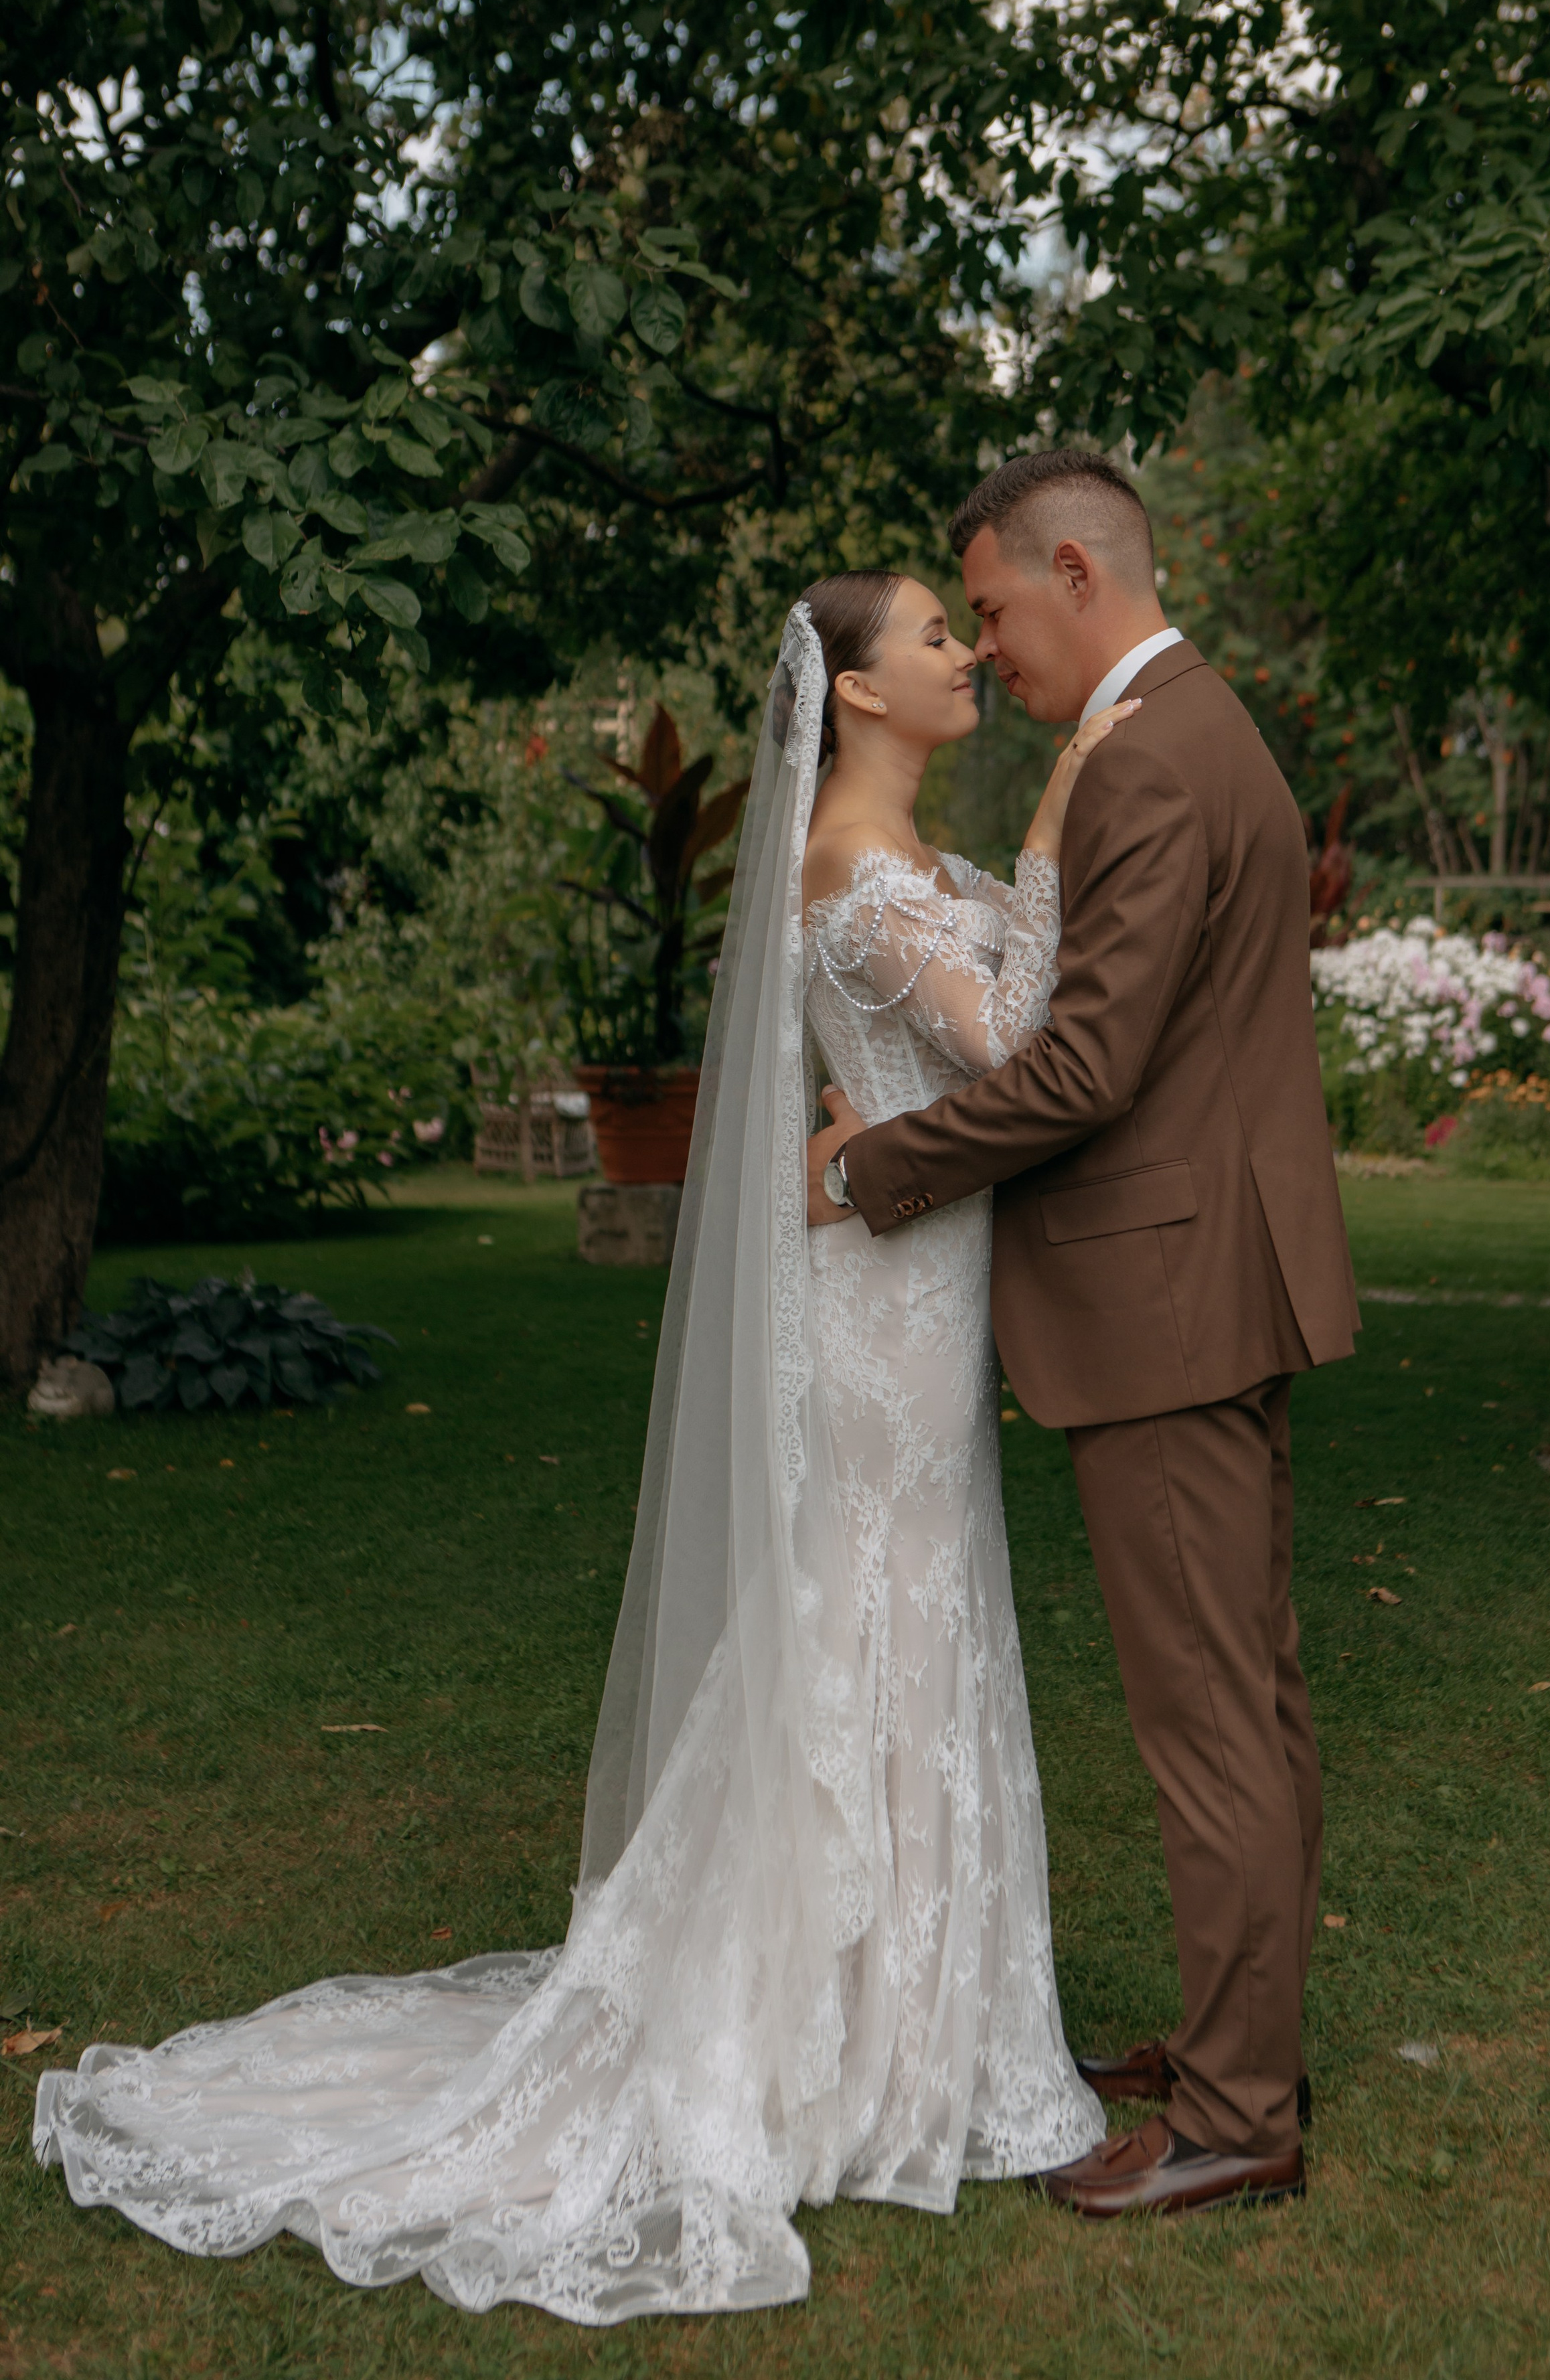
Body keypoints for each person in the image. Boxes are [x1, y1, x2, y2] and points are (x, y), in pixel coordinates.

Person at [33, 574, 1126, 2323]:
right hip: (887, 1312)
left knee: (899, 1613)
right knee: (877, 1617)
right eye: (928, 633)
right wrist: (1068, 819)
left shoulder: (897, 861)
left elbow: (957, 1046)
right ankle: (845, 2032)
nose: (960, 654)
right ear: (851, 693)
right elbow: (1012, 1041)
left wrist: (874, 1117)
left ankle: (906, 2020)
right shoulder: (852, 865)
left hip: (912, 1283)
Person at [809, 448, 1359, 2219]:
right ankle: (1232, 2049)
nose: (989, 646)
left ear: (1072, 568)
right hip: (1215, 1277)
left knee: (1213, 1719)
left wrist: (883, 1164)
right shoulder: (1195, 734)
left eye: (988, 609)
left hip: (1168, 1300)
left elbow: (1084, 1068)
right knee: (1247, 1702)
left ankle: (1236, 2116)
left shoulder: (1149, 761)